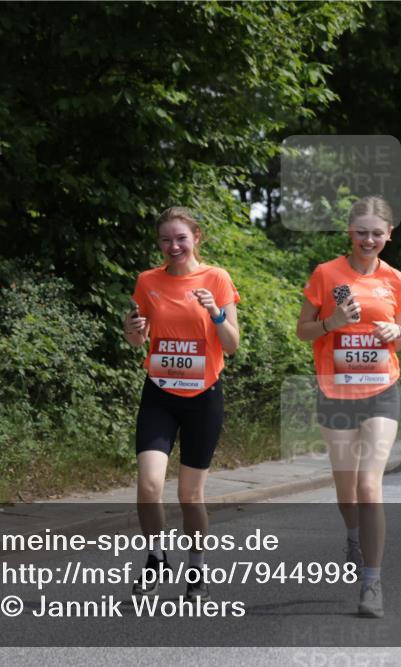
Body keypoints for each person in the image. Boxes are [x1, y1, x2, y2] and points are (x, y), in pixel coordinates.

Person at [296, 196, 401, 618]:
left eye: (377, 233)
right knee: (346, 492)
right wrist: (332, 324)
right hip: (336, 391)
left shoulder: (397, 280)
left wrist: (391, 334)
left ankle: (372, 582)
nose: (369, 239)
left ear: (388, 236)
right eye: (361, 232)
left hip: (382, 389)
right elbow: (302, 331)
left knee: (369, 486)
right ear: (350, 232)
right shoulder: (327, 275)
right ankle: (352, 535)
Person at [122, 206, 240, 601]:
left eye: (180, 238)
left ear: (196, 238)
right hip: (159, 393)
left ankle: (196, 564)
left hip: (203, 398)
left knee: (190, 496)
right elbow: (139, 339)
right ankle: (156, 557)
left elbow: (232, 345)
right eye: (165, 240)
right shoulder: (147, 281)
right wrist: (132, 330)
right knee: (149, 484)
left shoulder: (216, 278)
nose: (173, 246)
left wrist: (216, 313)